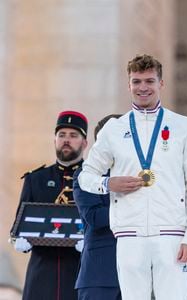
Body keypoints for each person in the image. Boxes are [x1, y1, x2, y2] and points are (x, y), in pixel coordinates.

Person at [78, 54, 187, 300]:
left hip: (171, 233)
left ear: (161, 83)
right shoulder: (114, 129)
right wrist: (107, 183)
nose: (143, 87)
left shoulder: (184, 127)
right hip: (129, 233)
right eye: (136, 82)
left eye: (149, 81)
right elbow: (86, 176)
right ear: (129, 85)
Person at [10, 111, 88, 300]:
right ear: (54, 140)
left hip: (81, 271)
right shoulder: (35, 179)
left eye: (73, 135)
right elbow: (18, 226)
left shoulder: (95, 179)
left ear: (84, 143)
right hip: (42, 273)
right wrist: (18, 240)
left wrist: (90, 242)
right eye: (61, 135)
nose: (66, 140)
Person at [73, 114, 122, 300]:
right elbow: (94, 217)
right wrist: (136, 210)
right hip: (100, 274)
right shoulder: (86, 174)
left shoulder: (141, 175)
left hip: (139, 272)